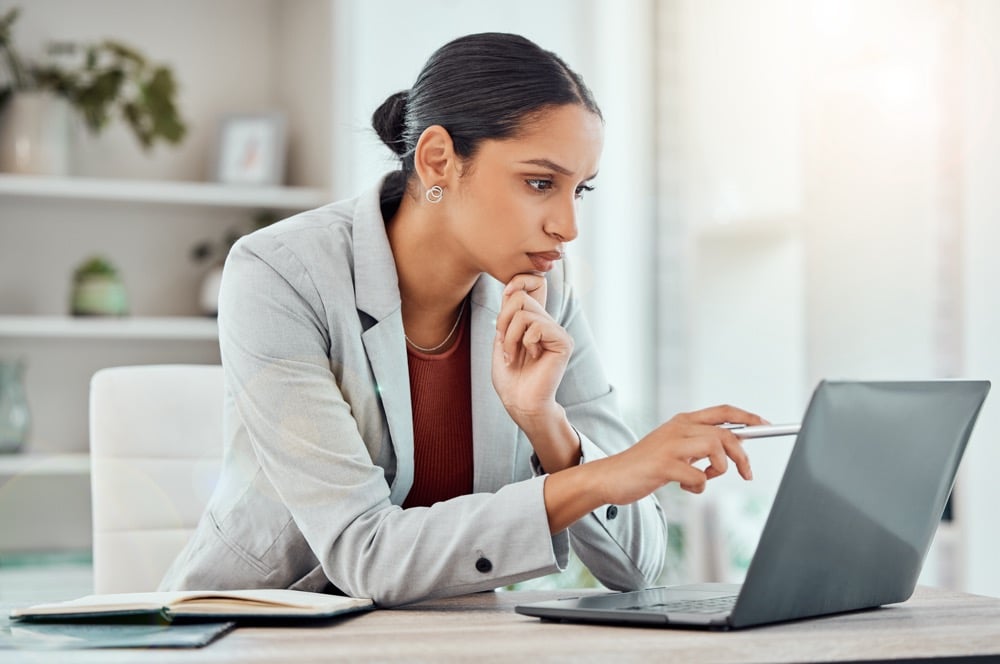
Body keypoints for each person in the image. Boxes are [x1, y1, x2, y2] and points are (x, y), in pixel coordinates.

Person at [160, 32, 763, 607]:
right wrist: (598, 478)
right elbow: (363, 553)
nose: (567, 226)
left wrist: (547, 425)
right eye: (538, 182)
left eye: (580, 191)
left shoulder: (547, 288)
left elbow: (637, 567)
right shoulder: (280, 273)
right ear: (439, 159)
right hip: (259, 630)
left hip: (453, 638)